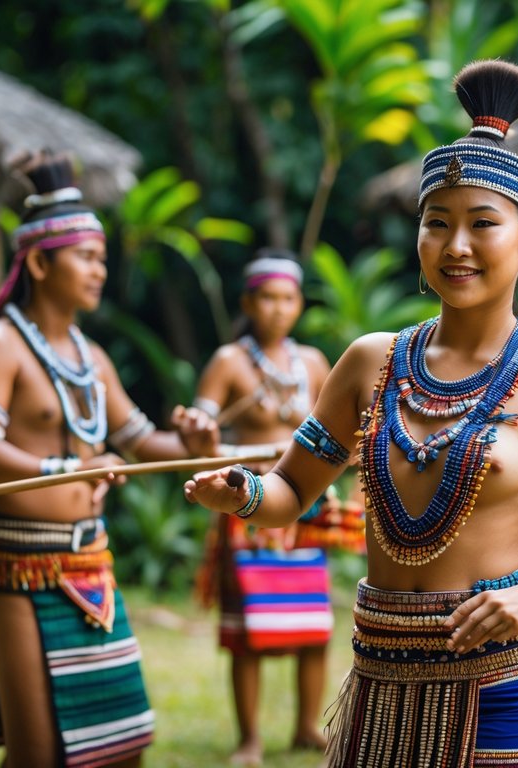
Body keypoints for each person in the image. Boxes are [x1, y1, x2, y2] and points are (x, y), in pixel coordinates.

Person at [185, 60, 518, 768]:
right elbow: (290, 493)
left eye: (481, 225)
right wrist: (244, 494)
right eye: (436, 223)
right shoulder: (368, 361)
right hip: (378, 685)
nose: (455, 246)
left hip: (500, 687)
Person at [0, 152, 215, 767]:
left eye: (102, 258)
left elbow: (139, 441)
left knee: (119, 746)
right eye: (88, 258)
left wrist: (193, 443)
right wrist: (60, 470)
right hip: (21, 569)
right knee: (38, 754)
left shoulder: (91, 356)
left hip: (89, 562)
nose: (100, 271)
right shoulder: (2, 344)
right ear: (42, 262)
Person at [192, 248, 333, 766]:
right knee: (247, 632)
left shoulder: (314, 362)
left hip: (302, 511)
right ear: (249, 302)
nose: (278, 308)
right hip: (246, 506)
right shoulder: (230, 361)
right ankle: (249, 738)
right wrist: (201, 430)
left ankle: (304, 727)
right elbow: (200, 431)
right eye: (268, 298)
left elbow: (335, 431)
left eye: (288, 298)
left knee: (314, 627)